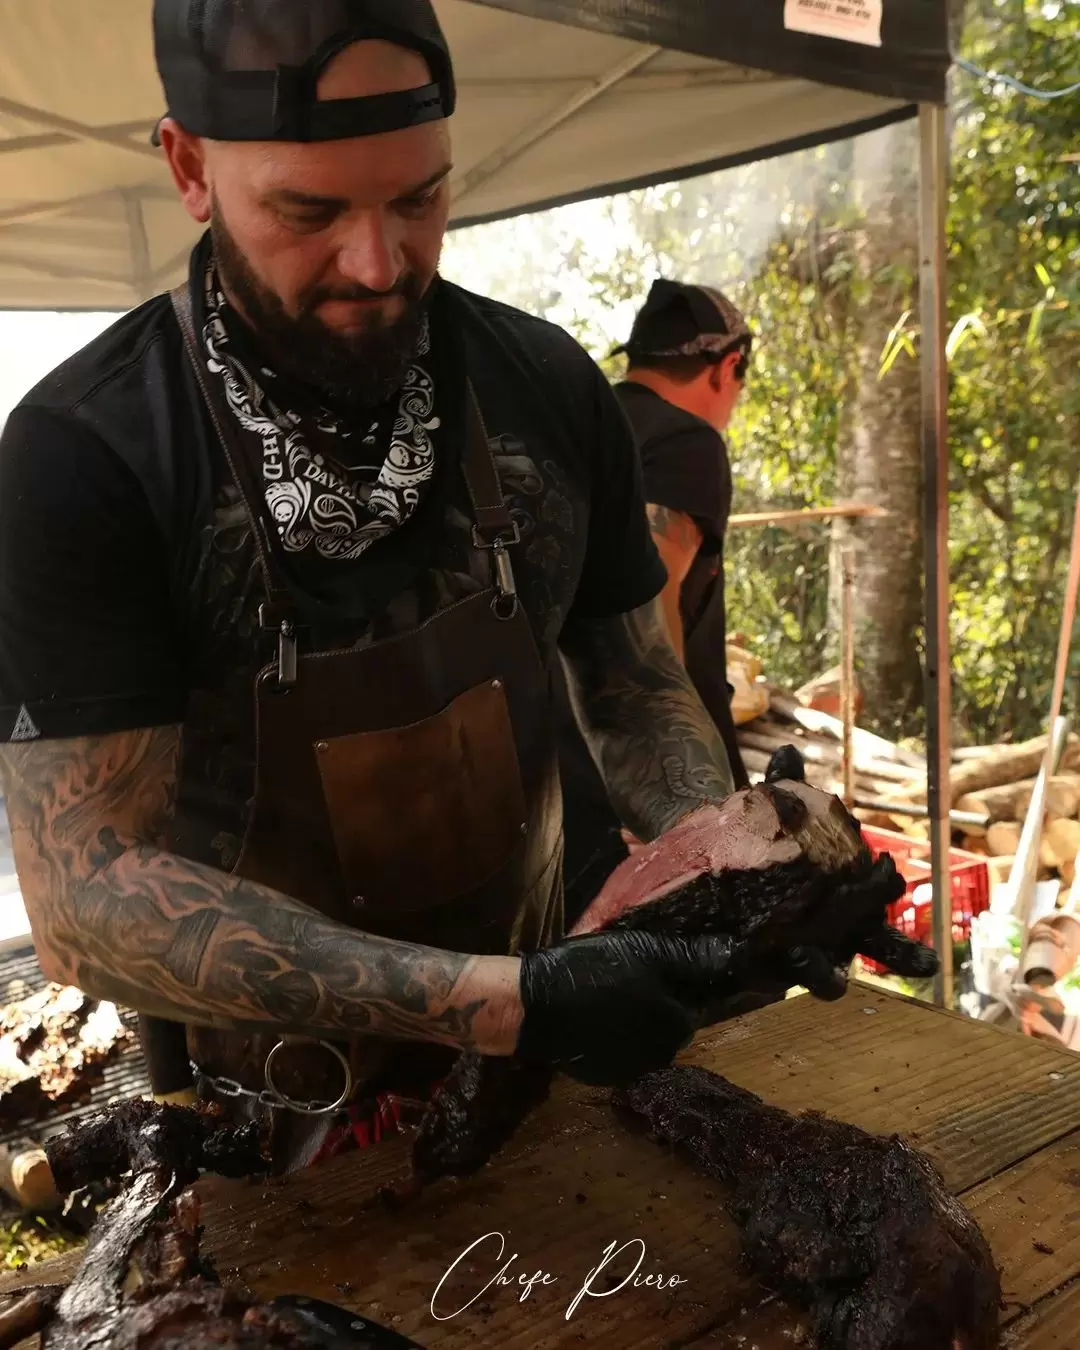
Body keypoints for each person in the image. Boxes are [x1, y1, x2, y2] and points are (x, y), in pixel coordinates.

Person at [0, 0, 845, 1173]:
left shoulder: (546, 387)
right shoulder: (88, 455)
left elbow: (637, 689)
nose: (379, 263)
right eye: (311, 210)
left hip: (553, 1065)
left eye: (419, 199)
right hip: (271, 1125)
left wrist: (719, 865)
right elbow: (83, 893)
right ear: (189, 167)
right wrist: (502, 1000)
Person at [561, 280, 751, 926]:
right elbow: (649, 618)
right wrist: (673, 802)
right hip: (661, 794)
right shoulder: (688, 444)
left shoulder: (582, 425)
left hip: (574, 787)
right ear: (729, 368)